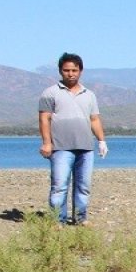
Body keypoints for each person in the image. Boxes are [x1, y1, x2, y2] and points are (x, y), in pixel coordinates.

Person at [38, 52, 107, 225]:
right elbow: (44, 119)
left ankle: (80, 218)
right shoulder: (50, 93)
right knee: (59, 186)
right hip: (60, 148)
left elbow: (94, 119)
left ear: (80, 71)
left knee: (83, 186)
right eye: (66, 70)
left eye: (74, 70)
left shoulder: (89, 95)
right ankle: (57, 221)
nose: (70, 73)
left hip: (85, 148)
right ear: (60, 71)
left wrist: (101, 140)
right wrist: (47, 143)